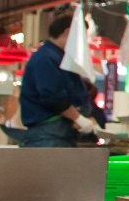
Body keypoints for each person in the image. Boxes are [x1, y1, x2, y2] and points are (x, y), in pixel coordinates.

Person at [18, 13, 102, 147]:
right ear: (67, 32)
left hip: (60, 135)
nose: (82, 44)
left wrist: (87, 119)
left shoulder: (62, 58)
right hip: (48, 136)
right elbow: (53, 97)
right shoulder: (46, 58)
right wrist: (78, 119)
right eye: (81, 38)